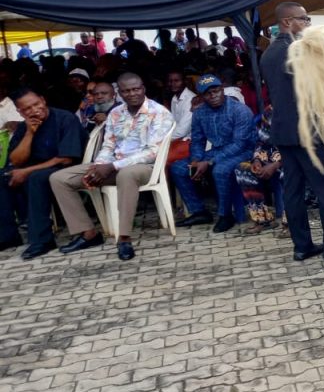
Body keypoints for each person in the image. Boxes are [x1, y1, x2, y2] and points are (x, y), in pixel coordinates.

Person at [260, 2, 324, 263]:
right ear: (287, 22)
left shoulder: (268, 54)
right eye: (303, 19)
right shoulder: (301, 53)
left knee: (292, 190)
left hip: (283, 132)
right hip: (310, 132)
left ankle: (302, 246)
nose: (308, 24)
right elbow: (318, 96)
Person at [50, 73, 174, 261]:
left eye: (136, 89)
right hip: (113, 165)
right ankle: (88, 233)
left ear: (143, 89)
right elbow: (108, 145)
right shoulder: (116, 113)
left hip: (145, 168)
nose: (132, 94)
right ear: (120, 93)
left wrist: (113, 166)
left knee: (126, 175)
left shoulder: (159, 112)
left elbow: (152, 152)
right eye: (126, 91)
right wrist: (99, 167)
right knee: (59, 178)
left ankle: (123, 237)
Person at [0, 89, 84, 258]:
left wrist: (26, 171)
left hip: (63, 168)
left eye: (36, 104)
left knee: (35, 179)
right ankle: (7, 236)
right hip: (34, 168)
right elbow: (15, 161)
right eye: (27, 109)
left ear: (43, 100)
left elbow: (65, 158)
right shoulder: (25, 126)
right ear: (20, 112)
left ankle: (42, 240)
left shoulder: (64, 118)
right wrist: (30, 134)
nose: (34, 110)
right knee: (2, 177)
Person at [171, 75, 255, 233]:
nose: (213, 96)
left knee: (220, 170)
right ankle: (199, 212)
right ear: (202, 96)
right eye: (208, 93)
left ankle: (226, 215)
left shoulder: (239, 110)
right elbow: (198, 140)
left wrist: (209, 161)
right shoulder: (200, 113)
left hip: (244, 151)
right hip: (217, 150)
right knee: (179, 168)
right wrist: (196, 159)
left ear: (222, 90)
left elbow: (240, 144)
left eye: (216, 91)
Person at [234, 108, 283, 234]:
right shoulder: (270, 111)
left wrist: (276, 165)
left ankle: (290, 223)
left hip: (292, 160)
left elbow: (304, 146)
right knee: (243, 170)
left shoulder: (301, 107)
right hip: (269, 158)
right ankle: (263, 219)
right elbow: (262, 141)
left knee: (289, 172)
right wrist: (257, 160)